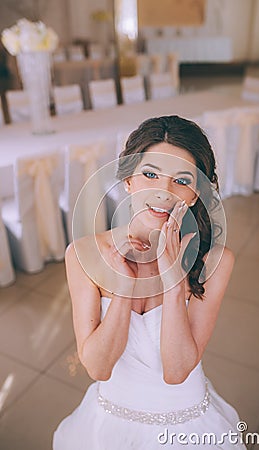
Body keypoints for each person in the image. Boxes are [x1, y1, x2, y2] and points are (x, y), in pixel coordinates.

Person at [53, 115, 246, 449]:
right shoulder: (83, 254)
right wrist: (126, 289)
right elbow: (98, 368)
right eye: (151, 174)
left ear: (196, 194)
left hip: (185, 422)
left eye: (182, 180)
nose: (163, 191)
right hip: (108, 420)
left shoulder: (216, 261)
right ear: (128, 179)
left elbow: (176, 371)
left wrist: (174, 283)